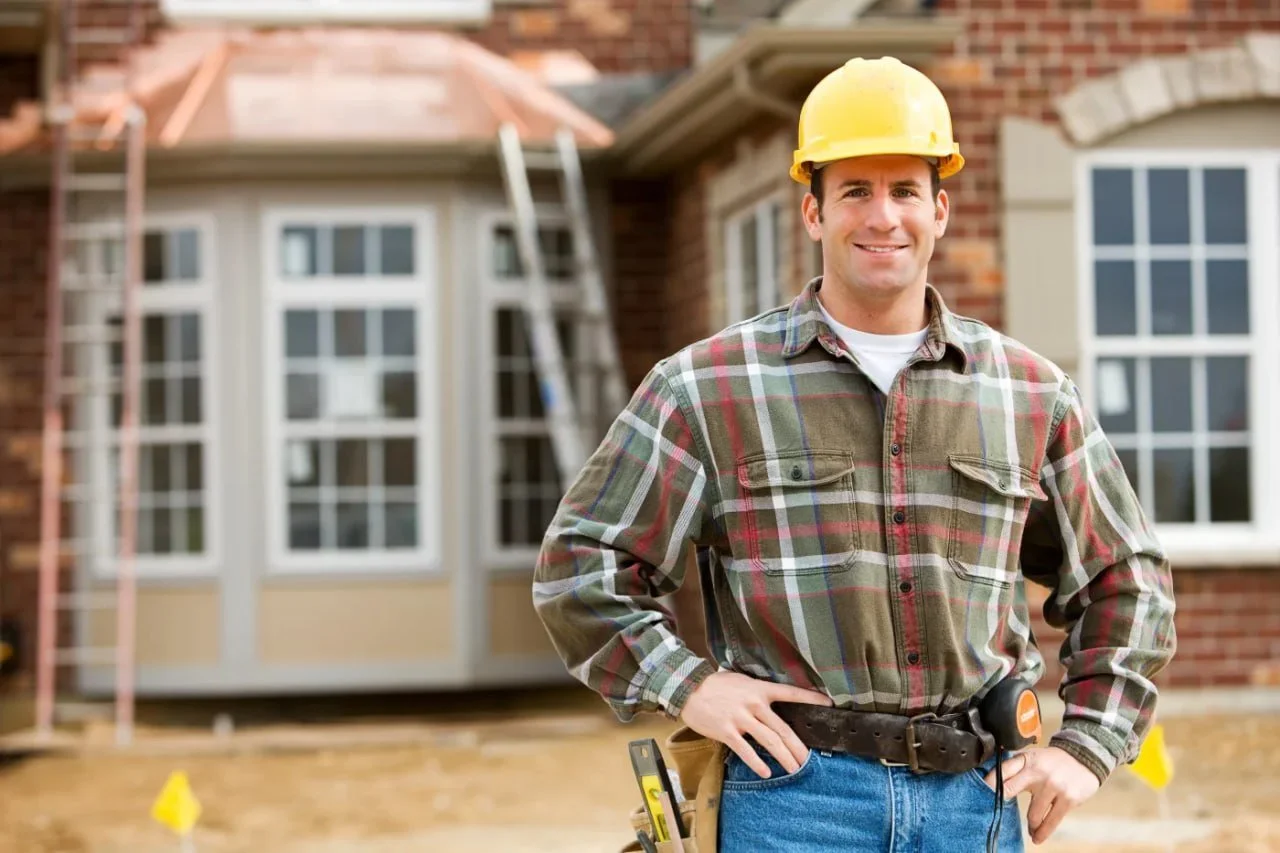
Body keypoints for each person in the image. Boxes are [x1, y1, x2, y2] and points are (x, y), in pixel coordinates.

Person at [533, 56, 1175, 852]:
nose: (883, 217)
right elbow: (579, 565)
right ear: (812, 212)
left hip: (974, 799)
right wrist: (690, 684)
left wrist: (1086, 746)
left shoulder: (1029, 394)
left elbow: (1128, 581)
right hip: (792, 798)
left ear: (940, 209)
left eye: (905, 190)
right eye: (855, 192)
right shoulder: (707, 388)